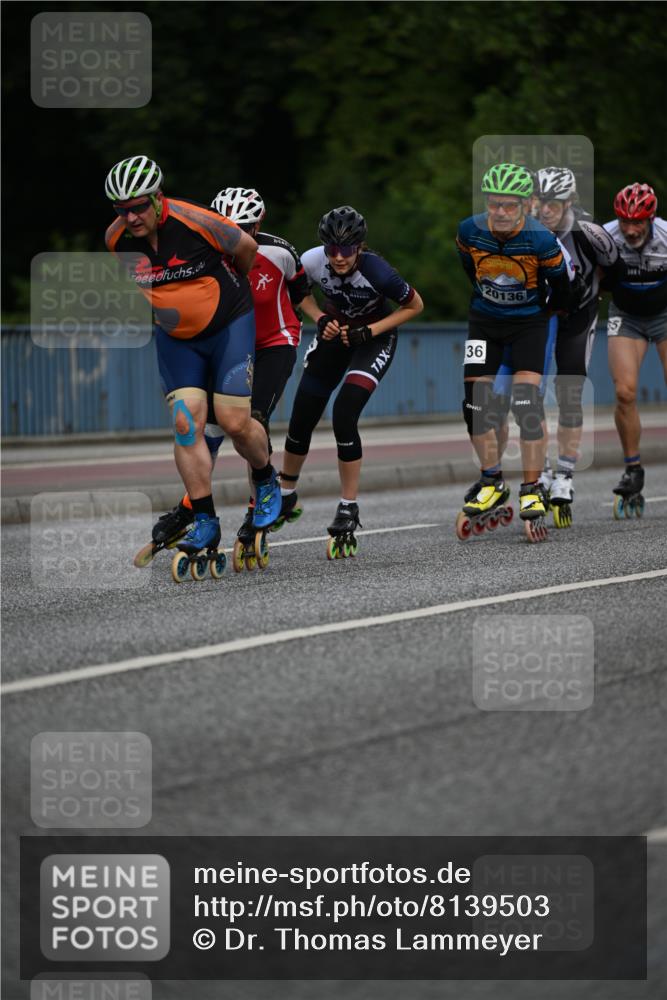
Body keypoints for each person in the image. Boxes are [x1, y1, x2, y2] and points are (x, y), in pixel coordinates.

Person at [104, 155, 282, 570]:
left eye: (138, 206)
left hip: (228, 327)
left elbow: (247, 248)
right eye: (121, 209)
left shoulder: (196, 219)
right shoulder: (117, 241)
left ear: (157, 197)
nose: (131, 217)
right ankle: (204, 518)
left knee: (235, 422)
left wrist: (227, 287)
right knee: (187, 422)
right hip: (177, 339)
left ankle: (265, 474)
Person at [156, 187, 309, 565]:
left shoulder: (279, 252)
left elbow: (301, 292)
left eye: (244, 228)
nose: (236, 236)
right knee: (202, 429)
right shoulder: (203, 249)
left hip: (274, 342)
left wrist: (319, 320)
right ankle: (193, 506)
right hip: (227, 345)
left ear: (259, 224)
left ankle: (259, 503)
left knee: (250, 421)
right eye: (228, 227)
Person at [279, 205, 424, 554]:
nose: (338, 257)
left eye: (346, 250)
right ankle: (285, 495)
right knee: (303, 414)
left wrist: (369, 330)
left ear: (360, 247)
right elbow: (298, 293)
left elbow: (415, 306)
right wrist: (318, 317)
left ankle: (348, 506)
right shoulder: (313, 261)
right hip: (335, 334)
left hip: (373, 339)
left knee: (344, 414)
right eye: (332, 250)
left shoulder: (378, 271)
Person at [455, 162, 571, 539]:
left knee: (526, 404)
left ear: (526, 203)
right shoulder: (468, 231)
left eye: (509, 205)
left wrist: (536, 310)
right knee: (474, 403)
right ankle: (492, 480)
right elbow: (469, 270)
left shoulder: (541, 240)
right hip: (484, 322)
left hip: (528, 325)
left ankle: (531, 488)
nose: (500, 213)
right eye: (494, 205)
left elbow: (562, 290)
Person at [533, 166, 626, 522]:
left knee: (569, 389)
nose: (545, 209)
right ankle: (539, 469)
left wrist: (594, 293)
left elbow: (615, 270)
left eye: (553, 203)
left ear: (569, 200)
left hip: (579, 315)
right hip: (539, 317)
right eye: (540, 201)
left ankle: (565, 474)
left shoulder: (590, 233)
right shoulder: (525, 227)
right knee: (530, 393)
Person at [603, 182, 667, 511]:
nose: (630, 230)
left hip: (664, 314)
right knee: (625, 392)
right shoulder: (604, 236)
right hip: (626, 315)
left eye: (637, 223)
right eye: (625, 222)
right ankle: (633, 470)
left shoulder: (666, 238)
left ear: (651, 219)